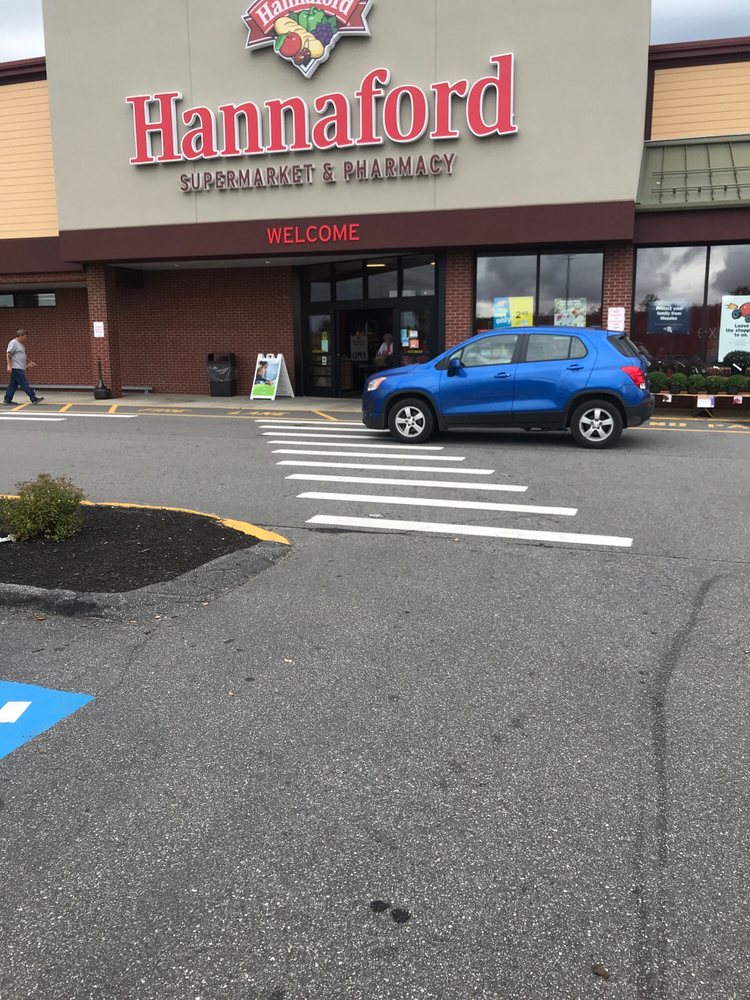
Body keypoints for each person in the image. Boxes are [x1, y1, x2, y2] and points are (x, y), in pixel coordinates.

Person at [4, 329, 44, 405]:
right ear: (20, 336)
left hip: (19, 368)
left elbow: (23, 355)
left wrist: (29, 361)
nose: (26, 339)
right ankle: (33, 398)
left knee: (13, 384)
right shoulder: (13, 343)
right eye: (25, 337)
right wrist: (9, 365)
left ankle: (7, 399)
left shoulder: (21, 345)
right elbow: (8, 353)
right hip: (16, 368)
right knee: (24, 383)